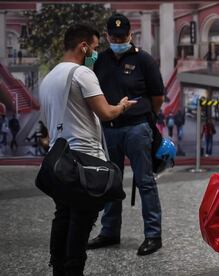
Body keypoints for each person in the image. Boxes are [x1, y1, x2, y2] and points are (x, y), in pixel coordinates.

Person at [39, 24, 136, 276]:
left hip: (60, 163)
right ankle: (72, 270)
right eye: (93, 48)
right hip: (85, 163)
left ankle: (58, 267)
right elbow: (106, 112)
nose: (95, 52)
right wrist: (122, 106)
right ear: (83, 46)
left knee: (63, 216)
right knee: (80, 224)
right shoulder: (82, 74)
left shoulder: (48, 79)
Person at [88, 13, 165, 256]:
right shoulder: (99, 60)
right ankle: (110, 232)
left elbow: (157, 97)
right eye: (114, 35)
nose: (119, 39)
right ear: (107, 35)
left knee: (145, 182)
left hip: (137, 128)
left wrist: (145, 117)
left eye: (123, 35)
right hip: (109, 130)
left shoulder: (144, 59)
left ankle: (153, 235)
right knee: (111, 182)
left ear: (130, 35)